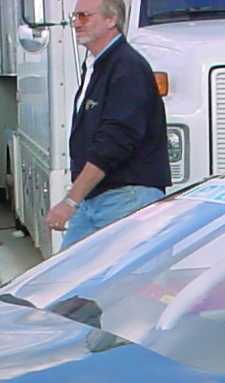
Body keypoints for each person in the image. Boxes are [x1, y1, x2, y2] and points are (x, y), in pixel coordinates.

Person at [43, 0, 170, 250]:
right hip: (95, 198)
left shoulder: (127, 67)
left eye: (84, 16)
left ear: (111, 20)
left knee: (121, 275)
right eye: (74, 16)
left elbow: (115, 142)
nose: (76, 23)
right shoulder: (97, 65)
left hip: (126, 198)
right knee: (66, 271)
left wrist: (70, 200)